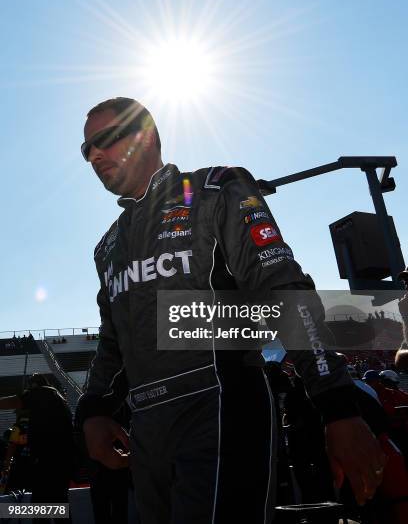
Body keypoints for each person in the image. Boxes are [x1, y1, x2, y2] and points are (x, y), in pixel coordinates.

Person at [76, 97, 386, 523]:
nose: (94, 154)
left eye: (105, 140)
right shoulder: (106, 246)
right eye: (86, 148)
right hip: (146, 431)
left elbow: (283, 289)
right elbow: (112, 341)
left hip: (220, 409)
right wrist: (93, 409)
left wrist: (337, 406)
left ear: (146, 137)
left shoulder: (216, 189)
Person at [0, 373, 75, 519]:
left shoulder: (42, 393)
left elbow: (14, 402)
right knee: (60, 504)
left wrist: (7, 463)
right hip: (63, 463)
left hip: (46, 463)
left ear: (34, 386)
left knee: (40, 505)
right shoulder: (58, 400)